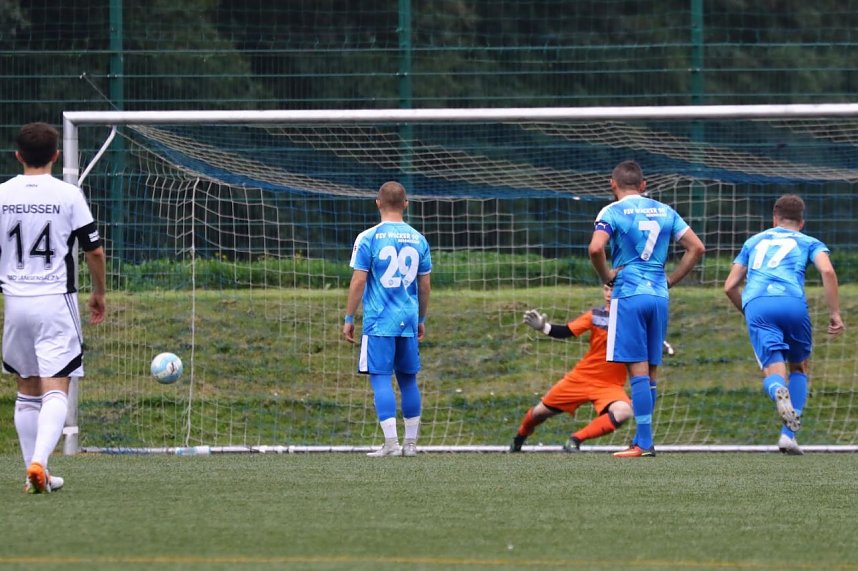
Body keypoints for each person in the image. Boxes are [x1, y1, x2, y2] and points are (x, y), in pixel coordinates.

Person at [0, 122, 107, 492]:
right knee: (57, 388)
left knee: (27, 390)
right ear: (56, 156)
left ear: (18, 155)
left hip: (15, 302)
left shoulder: (1, 194)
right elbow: (94, 250)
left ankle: (36, 474)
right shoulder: (68, 194)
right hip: (55, 301)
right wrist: (99, 292)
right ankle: (40, 463)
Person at [589, 160, 705, 458]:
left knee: (637, 370)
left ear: (612, 184)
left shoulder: (611, 211)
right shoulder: (666, 211)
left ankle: (643, 443)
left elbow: (595, 248)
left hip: (630, 294)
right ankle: (644, 440)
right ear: (643, 186)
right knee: (651, 371)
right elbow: (697, 247)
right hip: (659, 296)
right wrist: (671, 280)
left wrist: (606, 276)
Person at [724, 194, 844, 455]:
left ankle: (778, 389)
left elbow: (730, 286)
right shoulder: (809, 241)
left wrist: (750, 311)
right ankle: (788, 437)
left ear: (774, 219)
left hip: (758, 303)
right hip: (792, 303)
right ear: (802, 222)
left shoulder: (754, 241)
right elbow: (827, 271)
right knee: (799, 366)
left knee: (773, 369)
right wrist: (835, 313)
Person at [342, 181, 431, 457]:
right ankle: (411, 445)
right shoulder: (419, 239)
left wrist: (348, 317)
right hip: (408, 319)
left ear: (378, 203)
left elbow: (359, 281)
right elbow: (425, 285)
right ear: (406, 204)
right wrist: (421, 318)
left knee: (381, 379)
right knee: (408, 380)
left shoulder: (368, 237)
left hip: (379, 321)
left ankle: (391, 444)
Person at [511, 285, 632, 453]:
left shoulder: (636, 318)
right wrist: (543, 327)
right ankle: (520, 437)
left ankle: (574, 441)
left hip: (609, 386)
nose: (609, 294)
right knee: (539, 413)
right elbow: (566, 331)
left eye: (614, 289)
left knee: (623, 411)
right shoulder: (595, 316)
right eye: (606, 289)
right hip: (581, 378)